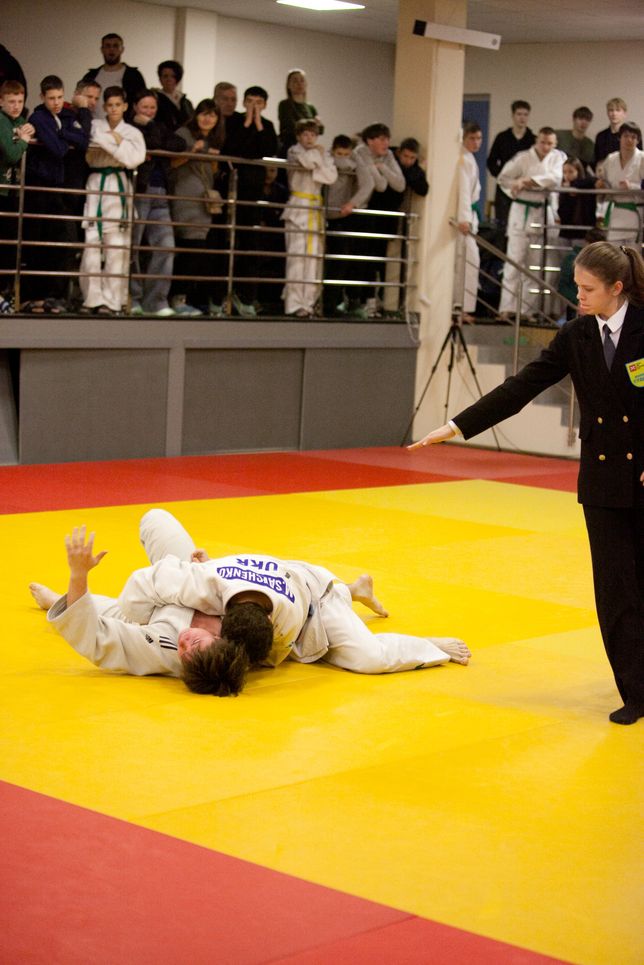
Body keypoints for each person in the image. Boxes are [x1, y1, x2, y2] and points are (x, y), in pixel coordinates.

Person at [409, 241, 644, 725]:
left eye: (588, 289)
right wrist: (456, 426)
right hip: (602, 481)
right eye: (576, 286)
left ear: (617, 288)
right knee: (615, 591)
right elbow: (521, 387)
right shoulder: (576, 335)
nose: (578, 296)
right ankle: (636, 692)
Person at [118, 508, 471, 687]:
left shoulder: (283, 623)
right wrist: (134, 617)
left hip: (315, 596)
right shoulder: (204, 585)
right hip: (241, 577)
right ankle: (357, 589)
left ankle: (429, 646)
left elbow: (278, 654)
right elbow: (145, 582)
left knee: (368, 658)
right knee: (155, 519)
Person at [29, 524, 247, 696]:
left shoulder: (163, 652)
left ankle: (55, 600)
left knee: (89, 610)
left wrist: (79, 574)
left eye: (184, 654)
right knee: (155, 518)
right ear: (219, 639)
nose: (184, 642)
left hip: (145, 617)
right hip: (185, 577)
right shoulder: (243, 628)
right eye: (196, 643)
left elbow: (95, 637)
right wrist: (210, 568)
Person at [22, 75, 91, 313]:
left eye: (60, 97)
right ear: (42, 97)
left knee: (60, 244)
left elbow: (84, 141)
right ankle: (33, 297)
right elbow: (60, 150)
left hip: (56, 188)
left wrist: (61, 133)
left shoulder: (66, 116)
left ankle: (53, 296)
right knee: (36, 245)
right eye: (51, 98)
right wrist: (65, 136)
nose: (57, 102)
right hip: (38, 187)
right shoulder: (38, 117)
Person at [79, 86, 146, 315]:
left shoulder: (132, 132)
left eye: (118, 105)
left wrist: (113, 144)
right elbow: (89, 146)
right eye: (110, 105)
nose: (114, 109)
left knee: (117, 248)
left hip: (118, 186)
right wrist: (116, 142)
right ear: (104, 107)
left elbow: (134, 159)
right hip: (96, 182)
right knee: (91, 244)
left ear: (125, 106)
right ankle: (91, 299)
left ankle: (112, 301)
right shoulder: (95, 126)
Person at [496, 126, 565, 321]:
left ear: (555, 144)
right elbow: (503, 178)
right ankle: (506, 309)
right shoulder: (522, 157)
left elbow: (555, 179)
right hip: (520, 211)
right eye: (542, 142)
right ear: (536, 140)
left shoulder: (558, 157)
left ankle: (527, 310)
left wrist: (526, 181)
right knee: (514, 262)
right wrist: (515, 187)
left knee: (534, 265)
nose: (546, 147)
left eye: (550, 143)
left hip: (541, 212)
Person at [224, 85, 279, 316]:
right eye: (250, 101)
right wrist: (247, 123)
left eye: (258, 102)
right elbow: (234, 147)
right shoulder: (234, 121)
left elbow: (268, 149)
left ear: (265, 105)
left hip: (254, 191)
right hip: (233, 187)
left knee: (251, 244)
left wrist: (257, 123)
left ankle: (246, 296)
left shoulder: (268, 126)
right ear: (243, 102)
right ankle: (223, 295)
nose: (253, 106)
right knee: (228, 240)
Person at [169, 97, 227, 316]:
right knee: (189, 247)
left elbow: (213, 172)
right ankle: (176, 298)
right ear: (196, 115)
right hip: (184, 197)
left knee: (196, 249)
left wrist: (213, 159)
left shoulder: (214, 139)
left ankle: (182, 297)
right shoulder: (183, 134)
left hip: (204, 200)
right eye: (204, 114)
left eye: (212, 115)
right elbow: (172, 162)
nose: (207, 119)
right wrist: (194, 151)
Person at [130, 89, 185, 316]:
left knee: (166, 246)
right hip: (140, 191)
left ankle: (156, 301)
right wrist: (155, 138)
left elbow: (179, 144)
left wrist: (153, 128)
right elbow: (150, 143)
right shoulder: (128, 126)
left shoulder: (158, 125)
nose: (149, 111)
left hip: (162, 193)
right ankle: (132, 298)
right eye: (145, 107)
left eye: (153, 107)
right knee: (132, 246)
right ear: (135, 107)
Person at [282, 119, 337, 317]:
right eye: (305, 134)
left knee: (313, 259)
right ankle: (294, 303)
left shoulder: (323, 153)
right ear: (298, 136)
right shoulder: (294, 151)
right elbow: (308, 163)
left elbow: (331, 176)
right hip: (298, 206)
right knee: (297, 258)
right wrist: (318, 158)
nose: (309, 138)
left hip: (315, 207)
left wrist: (319, 161)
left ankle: (309, 302)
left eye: (313, 135)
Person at [0, 81, 33, 309]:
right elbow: (11, 154)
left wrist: (27, 130)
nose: (16, 106)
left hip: (10, 190)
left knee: (9, 246)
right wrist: (24, 140)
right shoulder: (1, 121)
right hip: (2, 188)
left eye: (20, 101)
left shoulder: (17, 121)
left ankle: (5, 292)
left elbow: (24, 127)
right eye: (11, 101)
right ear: (1, 101)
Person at [486, 100, 536, 230]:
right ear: (513, 116)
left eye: (525, 114)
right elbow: (491, 161)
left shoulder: (533, 140)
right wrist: (502, 176)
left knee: (524, 225)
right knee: (503, 225)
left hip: (524, 188)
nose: (522, 118)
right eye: (519, 114)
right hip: (504, 188)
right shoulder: (502, 137)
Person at [596, 122, 644, 244]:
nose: (629, 140)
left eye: (633, 137)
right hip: (615, 212)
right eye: (626, 136)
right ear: (619, 138)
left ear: (638, 140)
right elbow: (604, 182)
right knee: (614, 251)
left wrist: (632, 187)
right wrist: (601, 185)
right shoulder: (611, 159)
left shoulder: (642, 159)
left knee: (632, 253)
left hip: (635, 212)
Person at [454, 122, 483, 323]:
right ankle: (460, 307)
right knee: (467, 261)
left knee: (470, 262)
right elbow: (463, 190)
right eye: (472, 138)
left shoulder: (469, 158)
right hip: (464, 217)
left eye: (479, 138)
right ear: (464, 138)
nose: (476, 142)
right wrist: (464, 218)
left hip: (470, 215)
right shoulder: (463, 159)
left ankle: (463, 306)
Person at [83, 33, 146, 121]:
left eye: (115, 46)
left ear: (122, 49)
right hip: (94, 126)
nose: (111, 49)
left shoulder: (134, 76)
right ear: (102, 49)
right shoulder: (91, 76)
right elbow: (81, 102)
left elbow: (142, 104)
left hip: (124, 126)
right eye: (108, 46)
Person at [277, 68, 323, 156]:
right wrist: (312, 124)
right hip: (290, 147)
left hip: (307, 149)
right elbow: (289, 126)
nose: (299, 84)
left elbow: (319, 130)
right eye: (295, 81)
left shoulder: (310, 107)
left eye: (302, 81)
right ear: (288, 85)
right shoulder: (285, 104)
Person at [557, 157, 598, 245]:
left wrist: (573, 185)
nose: (567, 175)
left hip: (582, 233)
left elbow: (593, 180)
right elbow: (561, 212)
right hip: (565, 232)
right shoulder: (564, 190)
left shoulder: (586, 187)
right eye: (564, 172)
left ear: (578, 171)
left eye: (571, 172)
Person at [592, 98, 641, 172]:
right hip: (606, 174)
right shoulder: (601, 136)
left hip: (629, 173)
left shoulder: (633, 135)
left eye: (618, 110)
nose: (614, 114)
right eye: (611, 110)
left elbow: (638, 159)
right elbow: (598, 160)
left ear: (624, 113)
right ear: (607, 113)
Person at [153, 60, 193, 131]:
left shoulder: (186, 102)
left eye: (173, 76)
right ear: (160, 79)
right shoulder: (155, 100)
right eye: (165, 76)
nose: (169, 79)